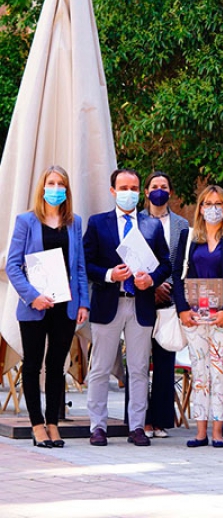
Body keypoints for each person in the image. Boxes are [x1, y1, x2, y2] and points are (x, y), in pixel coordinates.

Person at [83, 168, 171, 446]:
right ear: (113, 191)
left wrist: (151, 280)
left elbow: (166, 263)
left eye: (134, 188)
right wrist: (110, 274)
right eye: (124, 188)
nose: (129, 193)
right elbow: (86, 263)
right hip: (108, 303)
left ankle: (136, 427)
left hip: (140, 306)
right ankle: (97, 426)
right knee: (100, 367)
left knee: (139, 368)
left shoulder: (151, 225)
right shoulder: (98, 223)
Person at [6, 166, 89, 448]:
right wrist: (32, 296)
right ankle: (37, 425)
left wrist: (83, 303)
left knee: (56, 366)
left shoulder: (74, 222)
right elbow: (13, 265)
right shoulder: (26, 221)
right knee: (32, 365)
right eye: (51, 183)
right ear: (43, 187)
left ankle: (53, 423)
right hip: (35, 306)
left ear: (66, 190)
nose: (55, 188)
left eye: (61, 184)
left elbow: (79, 266)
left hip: (65, 305)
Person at [173, 185, 223, 448]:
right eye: (208, 203)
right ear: (200, 208)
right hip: (194, 317)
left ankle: (218, 431)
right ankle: (199, 431)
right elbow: (176, 273)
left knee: (220, 373)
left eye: (219, 204)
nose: (213, 209)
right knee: (199, 373)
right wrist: (182, 309)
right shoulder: (189, 238)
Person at [141, 171, 189, 439]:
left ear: (170, 192)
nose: (159, 190)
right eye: (154, 186)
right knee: (137, 363)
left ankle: (160, 419)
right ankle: (141, 420)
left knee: (164, 361)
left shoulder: (181, 225)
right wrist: (152, 284)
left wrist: (167, 286)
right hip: (142, 296)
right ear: (146, 192)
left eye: (164, 186)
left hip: (170, 299)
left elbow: (182, 261)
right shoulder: (136, 222)